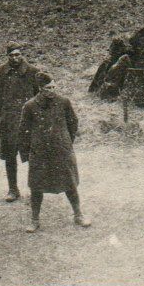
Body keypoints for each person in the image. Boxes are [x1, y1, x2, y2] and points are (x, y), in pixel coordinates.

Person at [19, 71, 90, 231]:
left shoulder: (63, 102)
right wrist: (26, 153)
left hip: (61, 151)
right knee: (36, 187)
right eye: (48, 88)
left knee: (70, 184)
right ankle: (34, 220)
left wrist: (65, 142)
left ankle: (78, 214)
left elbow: (73, 123)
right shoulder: (30, 106)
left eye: (53, 87)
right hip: (40, 153)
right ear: (40, 88)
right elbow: (24, 130)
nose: (52, 90)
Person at [0, 44, 43, 203]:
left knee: (33, 155)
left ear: (22, 54)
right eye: (11, 55)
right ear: (7, 56)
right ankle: (13, 189)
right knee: (9, 156)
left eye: (18, 54)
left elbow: (39, 96)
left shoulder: (33, 72)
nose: (15, 58)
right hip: (8, 121)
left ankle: (35, 188)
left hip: (28, 121)